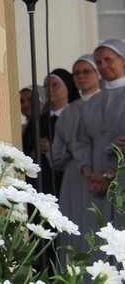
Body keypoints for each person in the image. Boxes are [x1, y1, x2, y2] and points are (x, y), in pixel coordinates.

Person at [52, 55, 101, 263]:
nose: (81, 76)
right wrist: (69, 150)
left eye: (86, 71)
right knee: (76, 227)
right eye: (77, 73)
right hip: (74, 179)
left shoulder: (108, 102)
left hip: (101, 174)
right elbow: (56, 155)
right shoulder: (69, 111)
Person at [74, 39, 125, 236]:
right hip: (95, 181)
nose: (103, 66)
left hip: (121, 175)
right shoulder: (93, 100)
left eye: (108, 60)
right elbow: (81, 140)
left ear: (122, 61)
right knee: (98, 233)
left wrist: (110, 174)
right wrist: (89, 173)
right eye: (99, 62)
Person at [23, 68, 79, 197]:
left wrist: (53, 149)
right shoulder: (37, 120)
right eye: (46, 86)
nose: (50, 90)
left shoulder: (76, 116)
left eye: (55, 85)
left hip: (66, 178)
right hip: (40, 180)